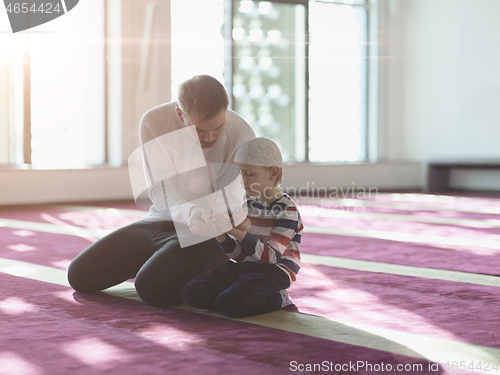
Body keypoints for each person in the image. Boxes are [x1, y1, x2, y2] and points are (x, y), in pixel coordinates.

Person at [67, 75, 255, 307]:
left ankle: (218, 271)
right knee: (80, 275)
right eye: (199, 130)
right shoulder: (154, 122)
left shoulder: (242, 134)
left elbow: (230, 200)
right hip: (161, 221)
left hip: (210, 234)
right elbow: (160, 192)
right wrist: (191, 213)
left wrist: (225, 216)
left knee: (151, 288)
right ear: (180, 114)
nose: (209, 137)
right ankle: (167, 260)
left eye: (217, 128)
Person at [182, 137, 303, 318]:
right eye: (240, 174)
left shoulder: (287, 210)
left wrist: (238, 233)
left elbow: (270, 258)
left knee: (229, 304)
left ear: (273, 173)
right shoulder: (247, 205)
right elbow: (240, 256)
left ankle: (279, 297)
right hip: (248, 266)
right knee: (191, 293)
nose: (243, 181)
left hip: (274, 271)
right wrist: (221, 234)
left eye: (250, 174)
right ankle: (234, 292)